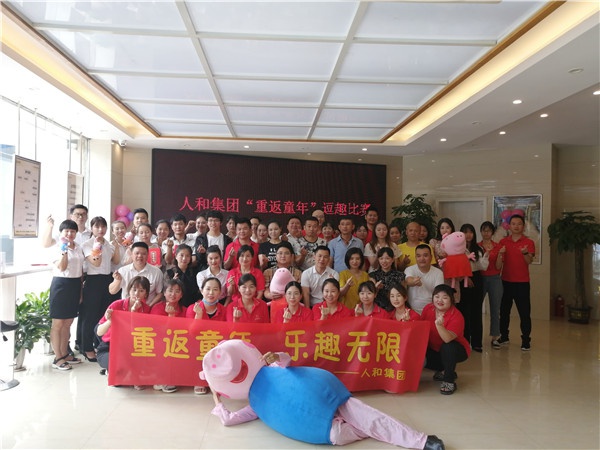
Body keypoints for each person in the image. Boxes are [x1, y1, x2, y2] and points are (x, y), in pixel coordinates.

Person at [202, 339, 445, 450]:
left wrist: (277, 355)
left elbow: (287, 361)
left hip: (331, 397)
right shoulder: (255, 405)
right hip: (327, 431)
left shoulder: (272, 366)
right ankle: (385, 430)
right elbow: (229, 419)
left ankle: (421, 442)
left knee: (368, 418)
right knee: (357, 426)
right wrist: (216, 396)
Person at [96, 276, 153, 390]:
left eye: (141, 290)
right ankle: (114, 370)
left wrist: (134, 313)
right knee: (117, 378)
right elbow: (99, 332)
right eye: (134, 289)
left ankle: (130, 372)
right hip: (110, 347)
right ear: (129, 290)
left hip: (133, 348)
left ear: (146, 294)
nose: (136, 293)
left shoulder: (146, 309)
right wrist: (110, 321)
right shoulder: (117, 305)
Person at [80, 216, 120, 362]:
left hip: (107, 280)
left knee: (103, 315)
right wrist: (97, 246)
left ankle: (99, 345)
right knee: (90, 316)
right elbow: (95, 263)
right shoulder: (87, 244)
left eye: (103, 227)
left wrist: (116, 246)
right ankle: (86, 348)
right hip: (93, 281)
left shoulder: (108, 244)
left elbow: (115, 261)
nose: (100, 229)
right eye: (97, 227)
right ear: (92, 228)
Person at [48, 219, 85, 370]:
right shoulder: (58, 247)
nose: (69, 234)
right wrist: (64, 252)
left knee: (68, 322)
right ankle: (57, 358)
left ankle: (64, 353)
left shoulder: (78, 247)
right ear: (61, 233)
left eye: (72, 231)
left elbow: (80, 270)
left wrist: (80, 291)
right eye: (66, 231)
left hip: (75, 285)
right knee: (58, 323)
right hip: (61, 285)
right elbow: (62, 267)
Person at [421, 284, 470, 395]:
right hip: (435, 350)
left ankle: (449, 381)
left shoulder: (456, 315)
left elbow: (447, 339)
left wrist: (439, 326)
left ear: (451, 300)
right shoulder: (428, 308)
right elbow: (421, 328)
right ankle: (445, 370)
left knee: (448, 346)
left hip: (456, 350)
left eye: (445, 297)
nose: (440, 300)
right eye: (437, 296)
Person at [498, 214, 535, 351]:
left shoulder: (529, 242)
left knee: (524, 313)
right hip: (506, 282)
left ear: (523, 226)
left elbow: (529, 261)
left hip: (522, 283)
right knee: (504, 312)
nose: (516, 226)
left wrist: (525, 253)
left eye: (519, 224)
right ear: (509, 226)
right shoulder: (503, 242)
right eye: (513, 224)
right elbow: (499, 263)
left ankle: (526, 340)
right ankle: (504, 336)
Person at [187, 277, 226, 395]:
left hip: (216, 345)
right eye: (208, 289)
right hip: (198, 346)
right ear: (201, 290)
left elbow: (227, 332)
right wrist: (198, 315)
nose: (211, 293)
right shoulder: (192, 308)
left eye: (215, 289)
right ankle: (199, 379)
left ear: (220, 292)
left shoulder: (223, 310)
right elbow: (191, 333)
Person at [457, 224, 488, 353]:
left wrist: (485, 258)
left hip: (476, 278)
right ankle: (465, 342)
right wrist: (465, 276)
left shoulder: (478, 248)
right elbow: (456, 266)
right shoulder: (457, 249)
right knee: (464, 311)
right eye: (465, 232)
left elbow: (483, 267)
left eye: (471, 232)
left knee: (476, 311)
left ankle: (476, 343)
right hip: (462, 279)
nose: (468, 235)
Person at [109, 241, 164, 307]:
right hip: (127, 308)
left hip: (147, 307)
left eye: (143, 254)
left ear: (148, 255)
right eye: (137, 253)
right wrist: (118, 280)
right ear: (132, 255)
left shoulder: (156, 272)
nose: (140, 256)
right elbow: (112, 291)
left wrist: (149, 306)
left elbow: (159, 293)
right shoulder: (123, 270)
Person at [479, 221, 504, 349]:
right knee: (476, 308)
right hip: (480, 279)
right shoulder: (477, 246)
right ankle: (476, 337)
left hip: (495, 279)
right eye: (484, 230)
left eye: (488, 230)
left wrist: (500, 255)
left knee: (495, 308)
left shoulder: (498, 246)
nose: (486, 233)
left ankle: (495, 336)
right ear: (481, 232)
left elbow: (499, 267)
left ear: (492, 232)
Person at [404, 244, 444, 314]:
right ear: (415, 257)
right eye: (418, 256)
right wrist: (413, 282)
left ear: (431, 257)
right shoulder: (409, 269)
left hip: (432, 310)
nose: (422, 259)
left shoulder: (438, 273)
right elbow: (408, 280)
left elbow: (439, 293)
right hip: (412, 311)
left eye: (425, 255)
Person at [369, 247, 405, 312]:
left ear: (393, 259)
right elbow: (370, 295)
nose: (384, 261)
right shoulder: (373, 275)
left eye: (387, 258)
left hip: (395, 308)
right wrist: (376, 288)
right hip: (377, 309)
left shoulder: (400, 275)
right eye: (381, 258)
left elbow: (403, 294)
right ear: (378, 259)